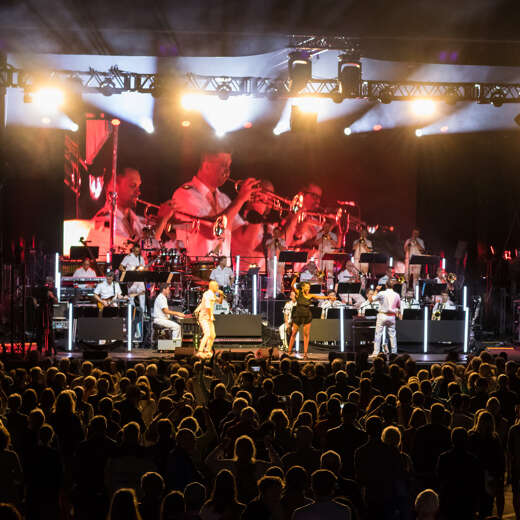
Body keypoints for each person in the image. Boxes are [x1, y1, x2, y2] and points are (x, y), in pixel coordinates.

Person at [171, 146, 258, 258]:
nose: (228, 170)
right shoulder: (185, 193)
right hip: (197, 271)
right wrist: (240, 199)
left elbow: (243, 242)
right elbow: (211, 231)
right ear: (206, 166)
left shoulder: (224, 199)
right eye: (223, 165)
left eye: (229, 165)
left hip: (222, 273)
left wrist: (257, 209)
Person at [88, 167, 174, 257]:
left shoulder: (138, 221)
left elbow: (154, 252)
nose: (139, 192)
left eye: (139, 186)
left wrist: (172, 233)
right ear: (114, 187)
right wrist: (162, 221)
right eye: (133, 186)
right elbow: (137, 254)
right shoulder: (104, 221)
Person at [232, 179, 277, 271]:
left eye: (270, 196)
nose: (267, 199)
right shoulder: (236, 217)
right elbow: (245, 247)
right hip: (241, 279)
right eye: (263, 194)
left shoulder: (267, 227)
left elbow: (277, 255)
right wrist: (257, 212)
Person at [287, 275, 334, 359]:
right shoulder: (298, 293)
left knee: (306, 335)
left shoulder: (310, 295)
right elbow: (292, 285)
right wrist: (295, 277)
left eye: (309, 287)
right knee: (294, 333)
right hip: (298, 315)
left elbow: (320, 297)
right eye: (307, 287)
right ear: (303, 287)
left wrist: (329, 297)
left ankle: (305, 354)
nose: (308, 288)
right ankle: (289, 352)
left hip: (307, 315)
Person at [368, 278, 401, 355]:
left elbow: (370, 300)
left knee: (378, 334)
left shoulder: (382, 293)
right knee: (392, 335)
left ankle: (376, 353)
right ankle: (394, 352)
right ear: (393, 286)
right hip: (392, 316)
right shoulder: (397, 295)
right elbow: (398, 306)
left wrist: (376, 290)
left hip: (382, 315)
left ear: (386, 286)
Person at [194, 280, 224, 358]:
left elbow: (220, 302)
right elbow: (207, 306)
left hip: (209, 318)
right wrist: (210, 315)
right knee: (207, 334)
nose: (218, 287)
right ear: (212, 287)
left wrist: (221, 295)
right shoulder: (207, 294)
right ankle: (200, 351)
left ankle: (207, 350)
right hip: (204, 318)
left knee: (213, 335)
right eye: (216, 286)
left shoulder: (212, 295)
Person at [120, 243, 147, 314]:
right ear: (133, 250)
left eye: (138, 251)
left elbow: (144, 268)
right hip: (131, 281)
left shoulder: (141, 258)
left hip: (140, 280)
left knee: (142, 297)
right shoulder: (128, 257)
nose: (137, 253)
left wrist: (143, 269)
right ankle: (133, 313)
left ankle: (142, 314)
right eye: (136, 251)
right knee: (131, 298)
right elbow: (120, 266)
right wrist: (126, 273)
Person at [265, 226, 287, 298]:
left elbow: (284, 249)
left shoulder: (283, 241)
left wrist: (279, 244)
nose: (276, 234)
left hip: (280, 262)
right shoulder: (269, 240)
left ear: (280, 233)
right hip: (272, 261)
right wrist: (273, 241)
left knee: (279, 278)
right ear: (273, 233)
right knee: (271, 277)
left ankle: (278, 293)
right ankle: (269, 294)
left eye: (278, 233)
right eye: (275, 233)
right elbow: (267, 247)